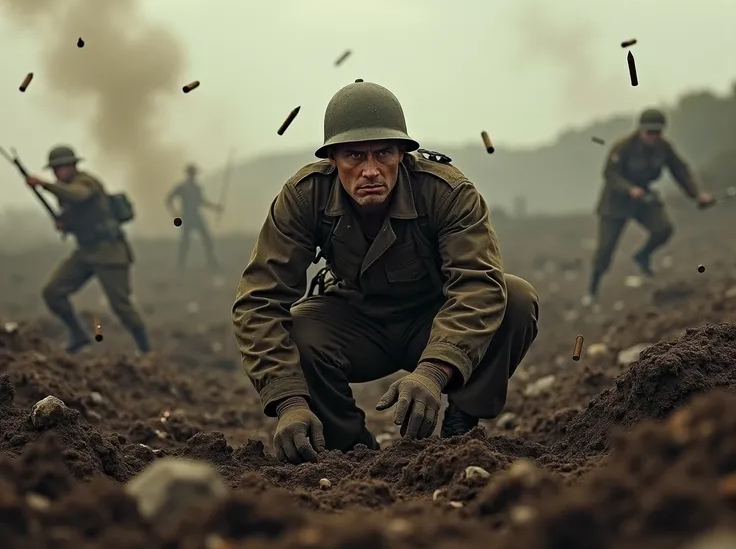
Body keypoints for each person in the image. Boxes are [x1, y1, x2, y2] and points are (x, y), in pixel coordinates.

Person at [232, 80, 540, 464]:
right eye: (354, 157)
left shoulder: (447, 192)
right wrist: (289, 401)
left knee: (516, 298)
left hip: (433, 317)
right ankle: (350, 447)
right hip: (356, 320)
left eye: (384, 153)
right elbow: (259, 301)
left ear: (403, 154)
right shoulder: (304, 197)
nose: (371, 170)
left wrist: (434, 372)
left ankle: (463, 419)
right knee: (299, 327)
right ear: (332, 160)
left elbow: (477, 286)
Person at [25, 145, 151, 355]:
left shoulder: (86, 182)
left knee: (121, 306)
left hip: (110, 252)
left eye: (61, 168)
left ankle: (146, 350)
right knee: (53, 292)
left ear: (73, 166)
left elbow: (79, 195)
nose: (57, 173)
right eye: (55, 169)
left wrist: (44, 185)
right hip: (86, 252)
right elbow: (78, 216)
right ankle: (79, 335)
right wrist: (65, 223)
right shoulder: (63, 189)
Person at [584, 109, 714, 305]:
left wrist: (697, 194)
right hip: (616, 203)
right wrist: (629, 189)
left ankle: (642, 255)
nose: (653, 137)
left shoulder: (664, 148)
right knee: (605, 250)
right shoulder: (623, 147)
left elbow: (680, 171)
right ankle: (592, 291)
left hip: (643, 199)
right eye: (649, 132)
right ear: (640, 130)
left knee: (664, 228)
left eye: (657, 132)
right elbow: (610, 174)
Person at [165, 164, 221, 269]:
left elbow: (202, 202)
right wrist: (175, 213)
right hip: (187, 217)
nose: (193, 176)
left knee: (206, 240)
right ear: (188, 175)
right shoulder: (182, 187)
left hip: (195, 216)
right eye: (192, 174)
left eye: (193, 174)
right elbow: (168, 199)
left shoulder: (196, 188)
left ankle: (211, 263)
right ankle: (181, 265)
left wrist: (215, 208)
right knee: (185, 242)